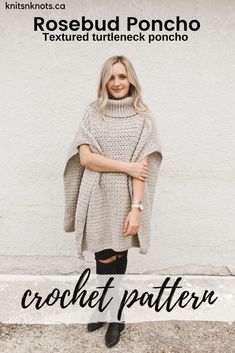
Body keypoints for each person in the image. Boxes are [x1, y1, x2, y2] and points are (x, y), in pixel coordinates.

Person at [63, 55, 162, 348]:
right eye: (111, 77)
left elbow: (142, 168)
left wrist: (137, 209)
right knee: (103, 255)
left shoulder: (143, 118)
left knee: (119, 254)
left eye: (122, 76)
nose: (117, 83)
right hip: (97, 195)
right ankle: (108, 307)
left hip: (127, 198)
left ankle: (114, 314)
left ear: (131, 79)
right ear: (104, 80)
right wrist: (127, 166)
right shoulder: (93, 113)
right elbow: (86, 158)